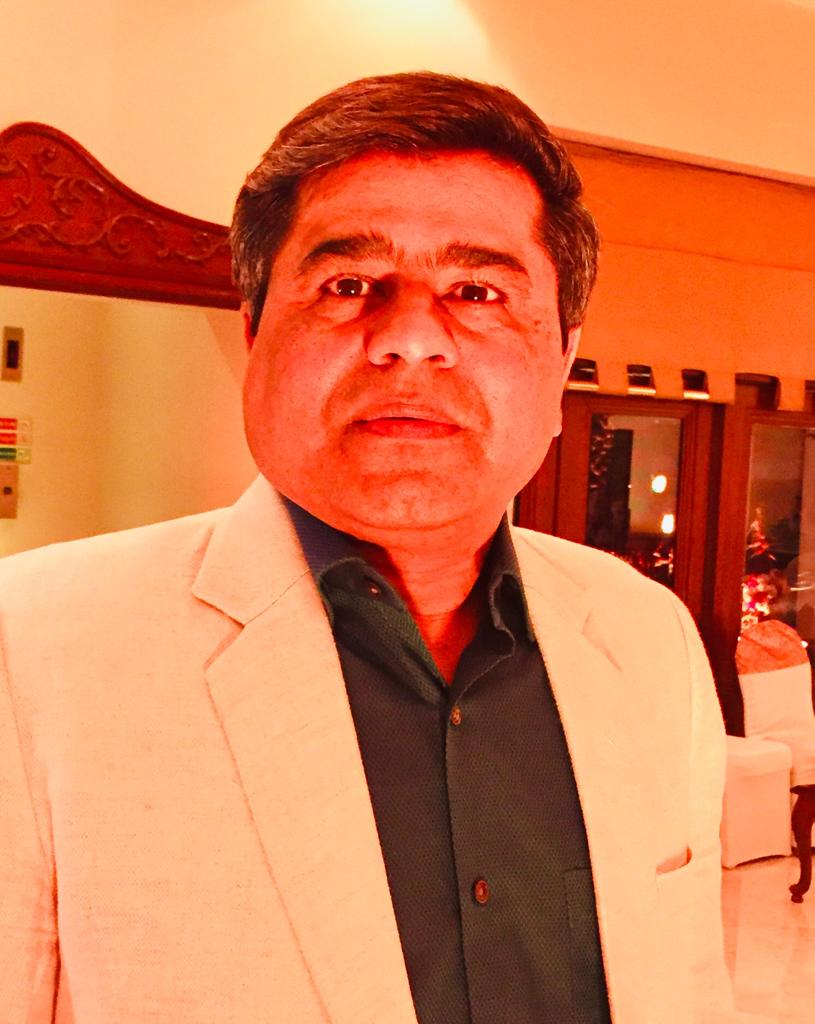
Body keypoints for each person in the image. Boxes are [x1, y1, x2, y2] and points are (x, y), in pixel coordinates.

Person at [0, 72, 732, 1023]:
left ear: (560, 360)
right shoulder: (34, 645)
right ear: (255, 332)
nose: (410, 340)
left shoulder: (646, 634)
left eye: (477, 291)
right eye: (347, 285)